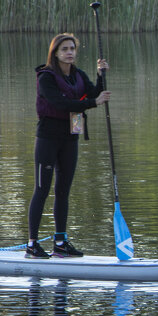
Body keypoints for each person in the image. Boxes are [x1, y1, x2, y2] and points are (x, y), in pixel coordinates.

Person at [26, 33, 110, 259]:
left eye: (72, 48)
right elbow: (60, 104)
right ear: (55, 53)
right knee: (42, 190)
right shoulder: (46, 77)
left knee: (63, 191)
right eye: (64, 49)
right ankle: (32, 245)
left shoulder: (78, 75)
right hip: (48, 137)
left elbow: (93, 94)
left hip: (71, 137)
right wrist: (93, 102)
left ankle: (60, 243)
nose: (70, 52)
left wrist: (100, 75)